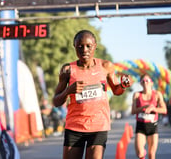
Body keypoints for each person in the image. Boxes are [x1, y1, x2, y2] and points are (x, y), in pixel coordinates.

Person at [52, 30, 132, 159]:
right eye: (80, 46)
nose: (84, 50)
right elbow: (56, 102)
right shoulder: (67, 70)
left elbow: (116, 91)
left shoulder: (106, 66)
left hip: (98, 126)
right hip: (74, 127)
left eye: (89, 46)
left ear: (95, 46)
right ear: (74, 47)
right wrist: (68, 91)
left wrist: (123, 85)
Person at [131, 74, 167, 159]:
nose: (145, 83)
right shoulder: (137, 95)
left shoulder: (157, 94)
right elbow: (133, 111)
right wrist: (144, 107)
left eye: (147, 81)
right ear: (141, 84)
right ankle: (143, 153)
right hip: (141, 125)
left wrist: (153, 108)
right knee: (140, 153)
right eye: (143, 81)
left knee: (151, 154)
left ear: (151, 83)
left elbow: (164, 110)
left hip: (152, 126)